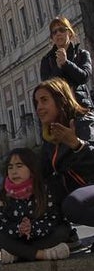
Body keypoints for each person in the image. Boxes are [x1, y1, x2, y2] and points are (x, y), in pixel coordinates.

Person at [0, 148, 74, 263]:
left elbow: (53, 219)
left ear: (32, 168)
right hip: (17, 239)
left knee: (62, 231)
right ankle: (42, 254)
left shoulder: (44, 190)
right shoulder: (5, 194)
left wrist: (32, 228)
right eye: (10, 167)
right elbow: (2, 224)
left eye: (19, 166)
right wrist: (18, 228)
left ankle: (18, 254)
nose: (14, 171)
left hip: (41, 236)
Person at [33, 77, 94, 233]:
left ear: (60, 100)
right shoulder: (51, 135)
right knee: (39, 191)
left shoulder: (84, 122)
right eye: (36, 102)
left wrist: (77, 144)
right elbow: (42, 172)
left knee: (73, 204)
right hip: (78, 187)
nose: (39, 107)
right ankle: (64, 235)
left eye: (44, 100)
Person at [39, 16, 92, 108]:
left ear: (70, 33)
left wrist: (66, 63)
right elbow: (47, 87)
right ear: (52, 38)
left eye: (62, 30)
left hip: (81, 106)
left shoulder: (82, 54)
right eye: (54, 32)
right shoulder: (47, 60)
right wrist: (58, 68)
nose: (58, 34)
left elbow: (84, 77)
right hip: (60, 108)